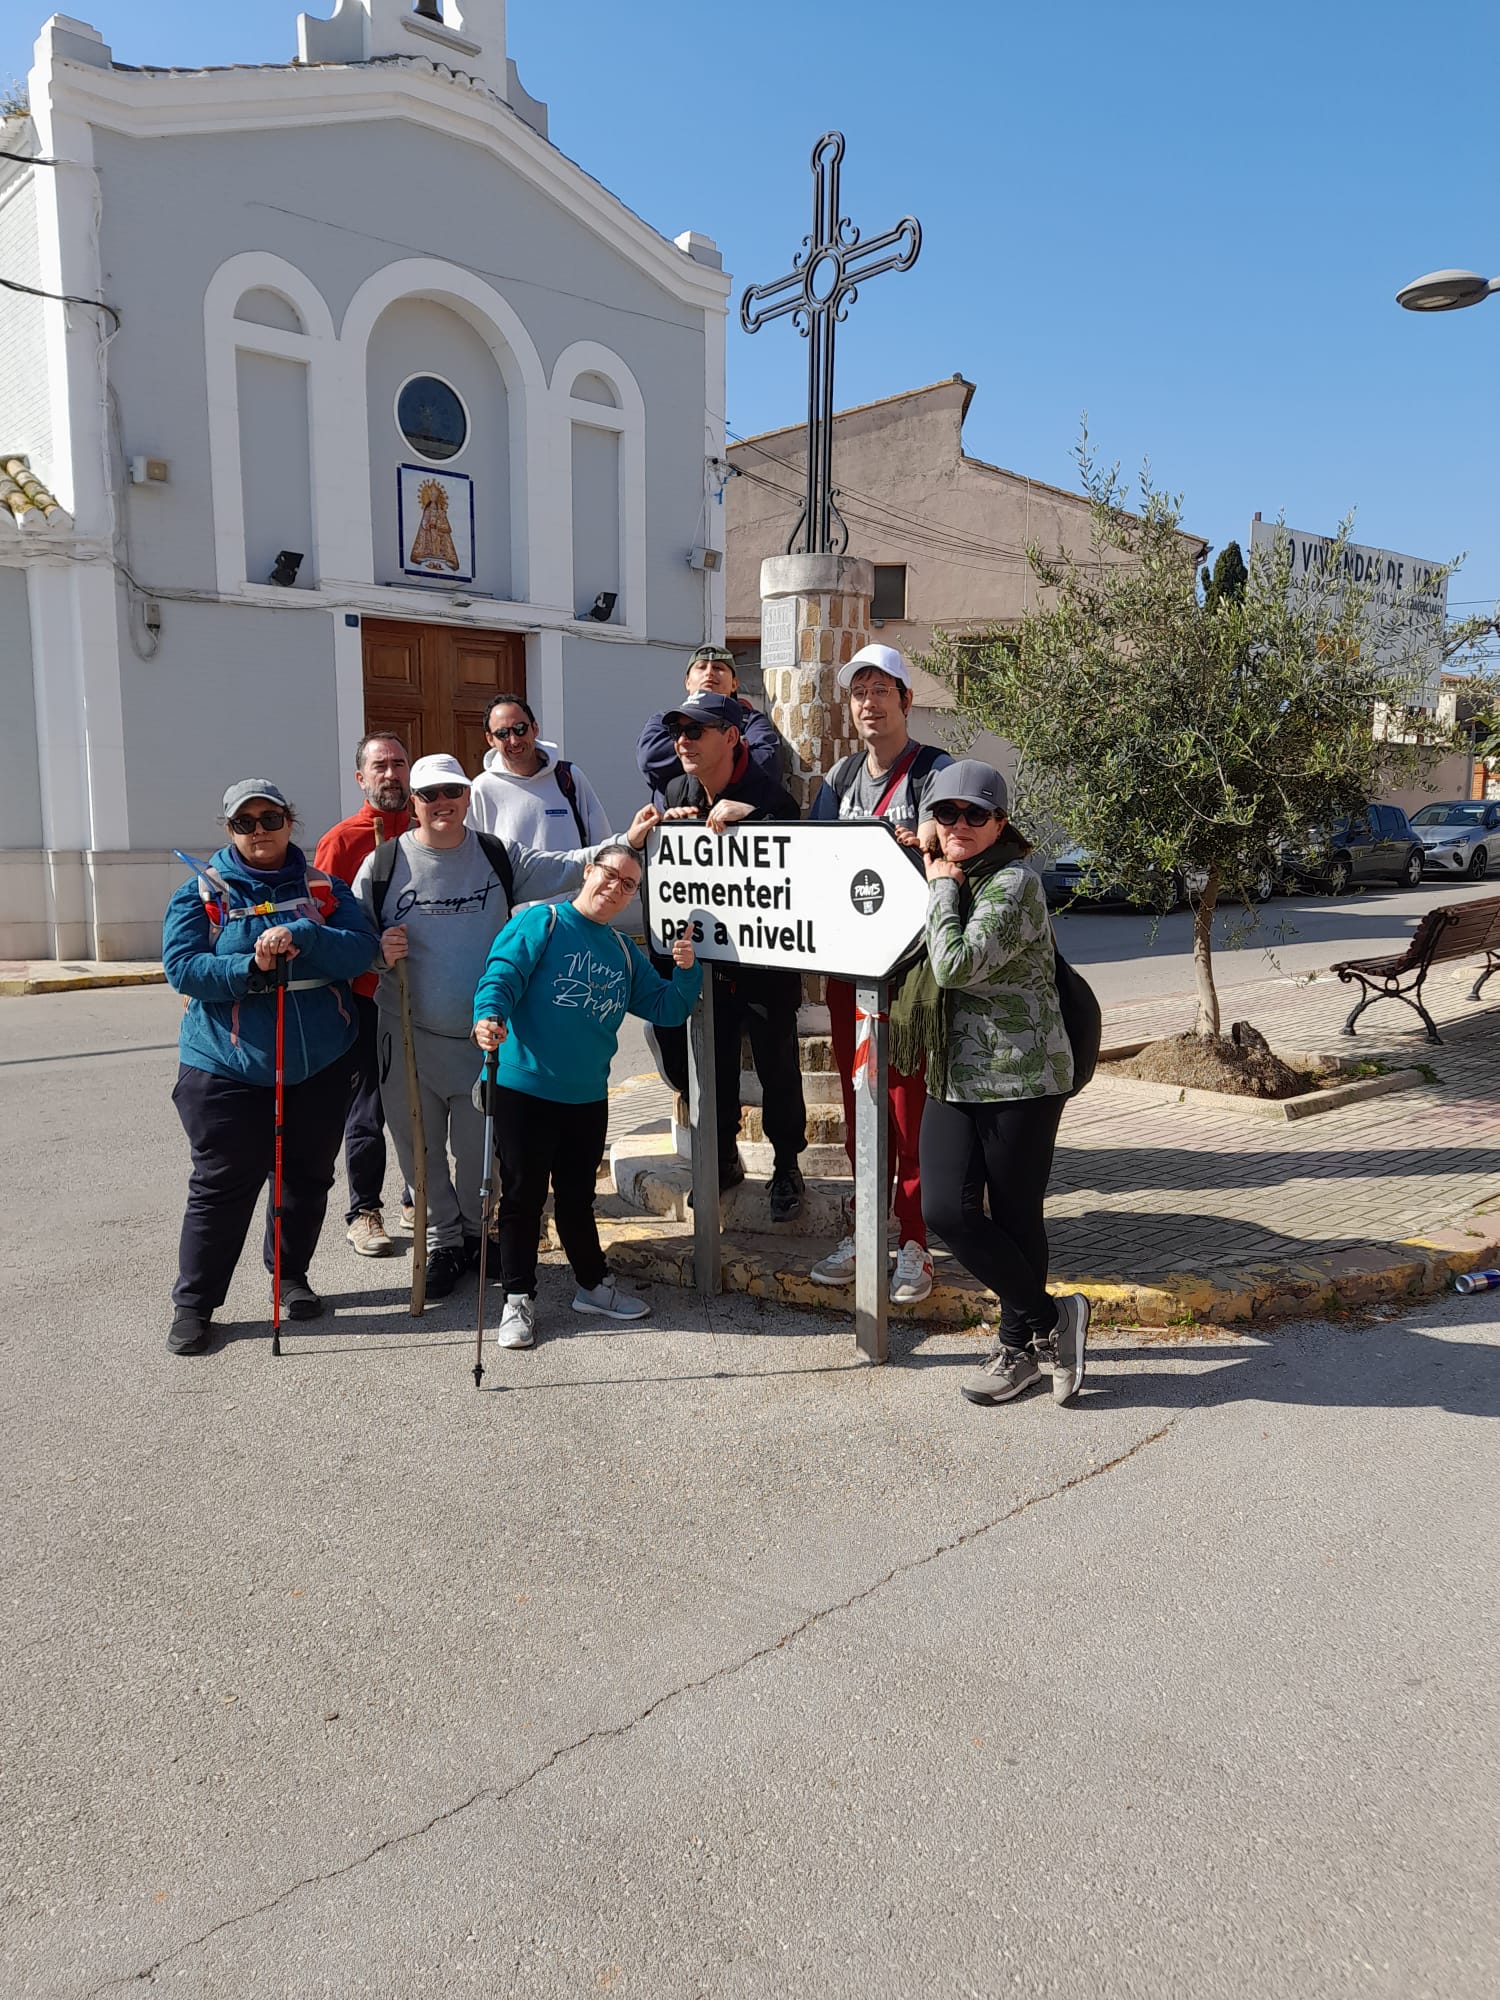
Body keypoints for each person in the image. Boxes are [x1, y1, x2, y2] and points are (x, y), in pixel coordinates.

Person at [352, 753, 659, 1300]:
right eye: (429, 795)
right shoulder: (381, 866)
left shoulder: (496, 856)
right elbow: (351, 941)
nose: (441, 803)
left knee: (478, 1154)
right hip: (405, 1036)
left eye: (452, 792)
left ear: (467, 797)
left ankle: (475, 1237)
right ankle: (445, 1241)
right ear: (414, 803)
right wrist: (376, 954)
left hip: (480, 1039)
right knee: (417, 1153)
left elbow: (572, 865)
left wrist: (627, 841)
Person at [161, 780, 378, 1354]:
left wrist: (306, 935)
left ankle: (289, 1277)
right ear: (229, 830)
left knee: (305, 1179)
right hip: (226, 1068)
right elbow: (182, 968)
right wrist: (250, 970)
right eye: (245, 822)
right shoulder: (200, 894)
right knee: (221, 1187)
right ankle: (196, 1304)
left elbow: (362, 948)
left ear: (289, 821)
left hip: (318, 1066)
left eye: (271, 817)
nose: (260, 831)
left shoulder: (325, 889)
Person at [898, 760, 1087, 1407]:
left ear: (1000, 823)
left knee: (1014, 1216)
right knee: (944, 1210)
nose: (958, 825)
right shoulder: (952, 869)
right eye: (945, 813)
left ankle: (1018, 1349)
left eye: (974, 815)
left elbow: (953, 963)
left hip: (1021, 1078)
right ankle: (1052, 1321)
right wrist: (926, 864)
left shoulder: (1013, 884)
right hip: (954, 1075)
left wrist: (940, 885)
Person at [473, 842, 702, 1348]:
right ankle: (517, 1300)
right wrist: (488, 1016)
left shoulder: (622, 950)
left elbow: (667, 1009)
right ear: (588, 871)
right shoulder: (543, 922)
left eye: (628, 885)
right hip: (524, 1089)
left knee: (578, 1198)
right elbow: (502, 976)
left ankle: (593, 1286)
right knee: (522, 1197)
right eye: (610, 875)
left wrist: (687, 969)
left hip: (586, 1097)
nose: (615, 889)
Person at [809, 643, 952, 1305]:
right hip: (849, 972)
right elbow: (809, 853)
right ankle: (867, 1229)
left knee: (908, 1111)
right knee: (860, 1105)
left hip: (911, 974)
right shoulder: (839, 778)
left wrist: (924, 836)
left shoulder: (934, 772)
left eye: (880, 692)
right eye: (858, 694)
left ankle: (917, 1244)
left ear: (904, 701)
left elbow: (954, 840)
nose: (869, 704)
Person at [648, 688, 808, 1222]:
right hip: (703, 964)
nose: (683, 742)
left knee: (777, 1068)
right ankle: (721, 1160)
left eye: (696, 731)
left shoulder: (770, 793)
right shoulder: (674, 786)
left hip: (764, 967)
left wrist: (758, 817)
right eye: (678, 732)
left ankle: (787, 1165)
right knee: (701, 1066)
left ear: (732, 737)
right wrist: (664, 829)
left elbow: (797, 868)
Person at [314, 733, 412, 1258]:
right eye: (381, 766)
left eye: (399, 763)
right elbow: (324, 925)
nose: (392, 774)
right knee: (367, 1108)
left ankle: (417, 1195)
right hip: (365, 997)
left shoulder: (427, 829)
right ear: (362, 778)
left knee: (425, 1101)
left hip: (424, 994)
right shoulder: (342, 840)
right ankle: (364, 1210)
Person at [467, 693, 611, 866]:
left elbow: (603, 844)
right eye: (502, 734)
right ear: (490, 739)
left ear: (535, 728)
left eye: (520, 728)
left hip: (575, 893)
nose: (513, 741)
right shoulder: (481, 789)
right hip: (514, 893)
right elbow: (471, 857)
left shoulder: (569, 777)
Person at [636, 644, 786, 809]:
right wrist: (719, 755)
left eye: (718, 667)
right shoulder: (664, 719)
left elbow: (767, 764)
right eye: (701, 667)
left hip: (730, 823)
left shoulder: (751, 721)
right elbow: (650, 759)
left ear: (734, 684)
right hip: (674, 821)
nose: (709, 673)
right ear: (687, 682)